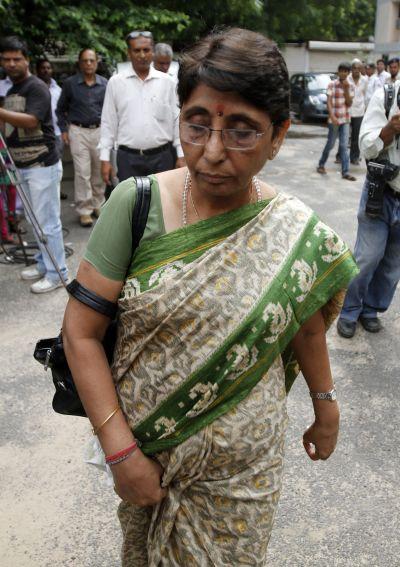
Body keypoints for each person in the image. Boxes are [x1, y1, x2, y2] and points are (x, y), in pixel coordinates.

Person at [63, 28, 358, 565]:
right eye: (197, 126)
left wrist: (325, 405)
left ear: (279, 134)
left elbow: (307, 326)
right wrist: (120, 452)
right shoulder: (135, 205)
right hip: (147, 462)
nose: (213, 152)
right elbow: (81, 334)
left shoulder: (292, 228)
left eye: (242, 132)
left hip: (245, 477)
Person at [0, 36, 68, 293]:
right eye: (6, 59)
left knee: (47, 222)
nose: (11, 63)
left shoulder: (36, 87)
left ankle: (57, 272)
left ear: (26, 60)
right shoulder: (12, 90)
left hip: (42, 164)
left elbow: (31, 120)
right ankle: (43, 263)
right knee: (33, 220)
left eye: (17, 58)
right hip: (22, 165)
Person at [337, 81, 400, 338]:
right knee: (367, 258)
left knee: (392, 264)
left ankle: (370, 310)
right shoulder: (386, 95)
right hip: (381, 192)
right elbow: (365, 146)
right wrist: (388, 131)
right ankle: (349, 311)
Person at [99, 30, 185, 185]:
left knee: (162, 205)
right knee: (132, 206)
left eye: (146, 50)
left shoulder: (168, 83)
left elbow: (177, 120)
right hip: (128, 159)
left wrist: (181, 154)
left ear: (152, 52)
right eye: (137, 50)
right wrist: (105, 159)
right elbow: (108, 122)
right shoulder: (116, 82)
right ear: (129, 53)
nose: (142, 55)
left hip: (162, 158)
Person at [56, 48, 107, 227]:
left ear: (97, 62)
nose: (88, 64)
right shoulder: (70, 84)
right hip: (78, 131)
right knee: (82, 172)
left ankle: (98, 203)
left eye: (91, 60)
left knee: (99, 171)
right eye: (85, 60)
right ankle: (84, 210)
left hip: (99, 130)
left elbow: (110, 111)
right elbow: (60, 109)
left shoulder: (104, 84)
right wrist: (63, 129)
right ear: (80, 63)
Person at [317, 62, 356, 181]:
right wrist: (332, 116)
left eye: (346, 71)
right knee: (331, 144)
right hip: (333, 119)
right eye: (342, 70)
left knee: (344, 146)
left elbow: (349, 103)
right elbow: (328, 101)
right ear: (338, 71)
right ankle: (321, 165)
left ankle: (345, 172)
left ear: (348, 73)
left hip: (345, 119)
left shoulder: (350, 86)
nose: (343, 73)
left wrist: (345, 89)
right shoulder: (331, 84)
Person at [36, 57, 67, 199]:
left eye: (48, 68)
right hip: (38, 134)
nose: (46, 70)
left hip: (56, 134)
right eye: (43, 68)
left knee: (57, 165)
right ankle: (43, 193)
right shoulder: (33, 88)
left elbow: (63, 111)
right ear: (38, 70)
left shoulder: (58, 90)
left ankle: (56, 190)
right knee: (41, 166)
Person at [348, 59, 368, 165]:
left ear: (361, 69)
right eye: (354, 68)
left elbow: (365, 95)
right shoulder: (347, 79)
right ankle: (339, 156)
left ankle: (354, 157)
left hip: (359, 112)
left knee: (356, 136)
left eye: (358, 68)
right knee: (344, 135)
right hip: (347, 111)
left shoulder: (365, 80)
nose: (356, 70)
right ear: (351, 69)